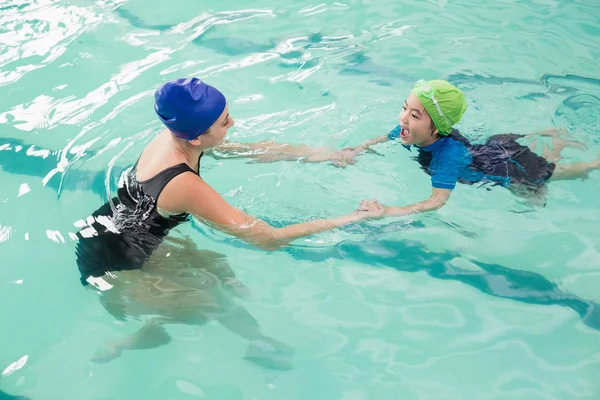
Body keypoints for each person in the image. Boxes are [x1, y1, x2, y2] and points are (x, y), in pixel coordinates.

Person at [75, 77, 384, 369]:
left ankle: (250, 338)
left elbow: (239, 150)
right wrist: (351, 217)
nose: (232, 124)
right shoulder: (183, 184)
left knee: (218, 268)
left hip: (115, 228)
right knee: (205, 304)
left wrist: (317, 154)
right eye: (224, 122)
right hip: (113, 262)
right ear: (196, 136)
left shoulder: (175, 134)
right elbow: (267, 238)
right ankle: (144, 334)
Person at [260, 79, 599, 213]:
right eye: (404, 108)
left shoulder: (448, 157)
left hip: (500, 168)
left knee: (545, 178)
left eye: (414, 114)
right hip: (489, 148)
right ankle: (552, 139)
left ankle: (589, 162)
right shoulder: (408, 130)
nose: (403, 118)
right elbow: (384, 138)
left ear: (435, 127)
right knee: (540, 170)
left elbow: (437, 202)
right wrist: (355, 152)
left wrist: (389, 211)